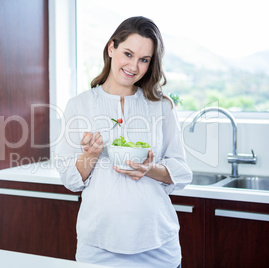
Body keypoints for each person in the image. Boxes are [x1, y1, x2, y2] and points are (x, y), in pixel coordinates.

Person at [55, 16, 192, 268]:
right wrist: (91, 155)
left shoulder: (161, 106)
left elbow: (182, 171)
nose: (133, 66)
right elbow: (70, 180)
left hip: (158, 244)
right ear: (111, 48)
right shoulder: (80, 105)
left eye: (144, 60)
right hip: (98, 244)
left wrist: (151, 169)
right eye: (127, 54)